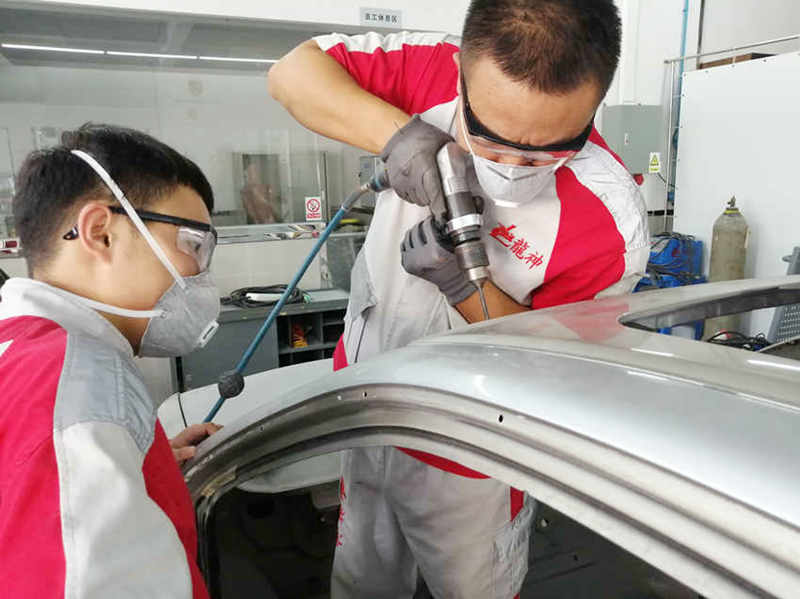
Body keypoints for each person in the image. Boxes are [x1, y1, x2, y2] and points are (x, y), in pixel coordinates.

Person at [269, 0, 649, 597]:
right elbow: (291, 72)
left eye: (546, 150)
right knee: (362, 580)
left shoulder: (610, 220)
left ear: (593, 104)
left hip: (472, 453)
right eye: (489, 142)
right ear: (461, 78)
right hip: (366, 405)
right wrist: (398, 136)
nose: (512, 169)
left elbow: (559, 366)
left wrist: (466, 288)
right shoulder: (428, 71)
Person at [0, 123, 222, 598]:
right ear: (100, 233)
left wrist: (139, 463)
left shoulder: (25, 355)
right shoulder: (73, 385)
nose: (200, 274)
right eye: (192, 245)